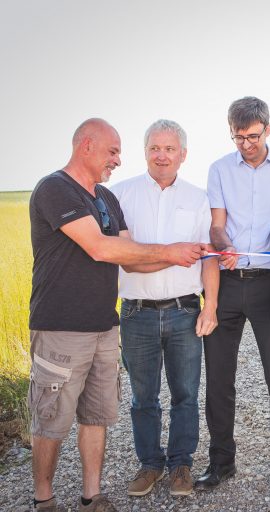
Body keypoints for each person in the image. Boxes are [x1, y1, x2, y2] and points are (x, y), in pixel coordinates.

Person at [28, 118, 207, 512]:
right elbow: (100, 248)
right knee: (52, 419)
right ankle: (44, 499)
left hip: (104, 327)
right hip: (61, 325)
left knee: (97, 414)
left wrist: (186, 257)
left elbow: (132, 259)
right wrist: (170, 251)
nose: (118, 160)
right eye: (113, 151)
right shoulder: (55, 188)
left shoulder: (105, 199)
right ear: (86, 146)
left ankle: (92, 496)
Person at [197, 97, 270, 492]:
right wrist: (222, 245)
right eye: (238, 137)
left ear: (268, 129)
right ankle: (221, 462)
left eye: (253, 136)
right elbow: (217, 225)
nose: (246, 144)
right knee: (219, 379)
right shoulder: (219, 169)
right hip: (226, 283)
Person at [110, 120, 220, 498]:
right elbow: (125, 259)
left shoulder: (198, 198)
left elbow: (209, 258)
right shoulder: (120, 194)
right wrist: (173, 253)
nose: (162, 155)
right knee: (143, 397)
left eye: (169, 149)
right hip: (136, 313)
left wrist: (211, 307)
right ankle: (150, 464)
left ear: (183, 155)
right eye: (155, 148)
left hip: (184, 309)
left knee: (185, 394)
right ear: (145, 152)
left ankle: (181, 465)